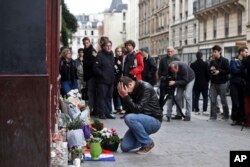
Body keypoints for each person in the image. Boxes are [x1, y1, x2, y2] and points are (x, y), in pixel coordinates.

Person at [117, 76, 162, 154]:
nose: (124, 92)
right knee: (124, 147)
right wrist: (124, 97)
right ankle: (143, 138)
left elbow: (137, 109)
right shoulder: (130, 91)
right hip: (140, 121)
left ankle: (148, 143)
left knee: (129, 118)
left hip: (154, 121)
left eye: (124, 90)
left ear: (130, 84)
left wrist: (126, 96)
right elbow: (128, 111)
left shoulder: (145, 87)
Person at [93, 40, 116, 119]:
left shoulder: (111, 55)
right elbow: (96, 68)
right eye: (107, 45)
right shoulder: (99, 55)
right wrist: (102, 75)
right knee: (102, 97)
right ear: (103, 47)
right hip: (102, 81)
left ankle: (108, 112)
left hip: (111, 80)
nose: (109, 47)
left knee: (109, 97)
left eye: (110, 45)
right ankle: (102, 113)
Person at [209, 45, 230, 120]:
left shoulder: (225, 60)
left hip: (222, 83)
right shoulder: (212, 61)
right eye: (213, 52)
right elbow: (209, 71)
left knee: (223, 100)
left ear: (219, 52)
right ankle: (213, 116)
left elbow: (228, 71)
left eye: (215, 52)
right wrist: (211, 71)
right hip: (214, 83)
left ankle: (226, 115)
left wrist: (219, 71)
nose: (213, 53)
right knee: (213, 100)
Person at [229, 47, 248, 125]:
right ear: (241, 52)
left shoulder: (245, 61)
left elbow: (246, 73)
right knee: (235, 102)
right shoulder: (233, 60)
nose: (247, 54)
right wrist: (242, 70)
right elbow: (234, 71)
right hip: (234, 84)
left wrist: (241, 71)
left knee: (242, 102)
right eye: (246, 52)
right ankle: (234, 119)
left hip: (242, 84)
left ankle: (241, 119)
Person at [82, 37, 97, 114]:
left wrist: (83, 60)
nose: (85, 44)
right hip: (88, 75)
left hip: (92, 75)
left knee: (91, 93)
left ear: (90, 42)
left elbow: (93, 63)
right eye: (84, 43)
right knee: (89, 92)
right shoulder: (85, 51)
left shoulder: (92, 51)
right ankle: (92, 108)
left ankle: (92, 109)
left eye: (87, 43)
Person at [113, 47, 123, 114]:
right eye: (118, 51)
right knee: (114, 93)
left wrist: (119, 65)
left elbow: (123, 70)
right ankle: (116, 108)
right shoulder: (113, 59)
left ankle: (121, 107)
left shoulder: (123, 59)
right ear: (115, 52)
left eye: (120, 51)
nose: (119, 53)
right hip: (114, 78)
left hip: (121, 78)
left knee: (121, 93)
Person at [241, 53, 250, 126]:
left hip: (248, 84)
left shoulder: (246, 59)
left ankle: (248, 122)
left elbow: (242, 71)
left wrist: (246, 77)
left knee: (247, 104)